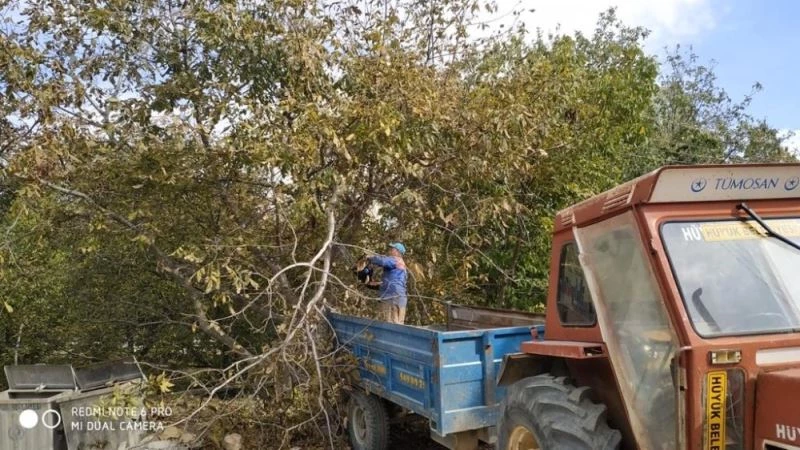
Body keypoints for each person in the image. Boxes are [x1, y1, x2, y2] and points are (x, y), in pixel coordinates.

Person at [366, 242, 408, 324]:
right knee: (399, 324)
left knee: (389, 323)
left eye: (392, 249)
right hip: (401, 298)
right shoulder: (402, 266)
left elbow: (382, 261)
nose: (390, 251)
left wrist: (370, 258)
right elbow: (394, 282)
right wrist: (377, 284)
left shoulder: (395, 259)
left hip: (391, 297)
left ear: (397, 252)